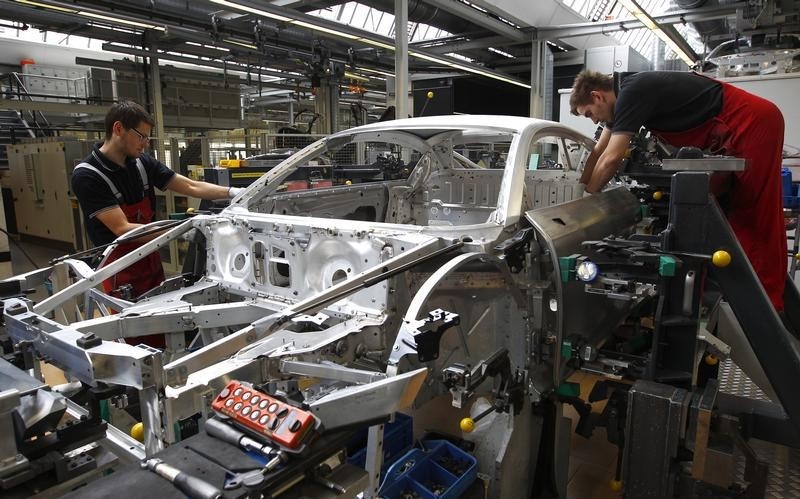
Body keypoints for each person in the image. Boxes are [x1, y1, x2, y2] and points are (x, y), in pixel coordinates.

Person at [569, 70, 786, 311]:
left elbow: (611, 158)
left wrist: (587, 203)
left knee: (753, 212)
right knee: (729, 211)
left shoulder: (632, 92)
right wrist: (579, 191)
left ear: (597, 96)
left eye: (589, 114)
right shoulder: (619, 98)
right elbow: (598, 152)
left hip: (750, 120)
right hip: (734, 125)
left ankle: (766, 304)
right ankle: (724, 295)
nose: (593, 121)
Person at [72, 100, 243, 300]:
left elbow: (190, 186)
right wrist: (186, 228)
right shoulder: (88, 175)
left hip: (151, 255)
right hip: (120, 268)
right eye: (141, 136)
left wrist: (233, 192)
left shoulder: (141, 163)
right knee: (135, 327)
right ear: (118, 129)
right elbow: (124, 230)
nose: (146, 144)